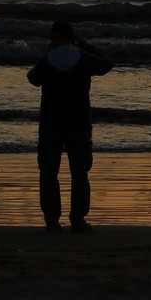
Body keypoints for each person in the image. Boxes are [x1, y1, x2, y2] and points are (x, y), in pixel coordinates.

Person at [26, 20, 113, 232]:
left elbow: (32, 78)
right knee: (80, 171)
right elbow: (107, 63)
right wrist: (86, 46)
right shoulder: (82, 58)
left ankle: (51, 220)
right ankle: (78, 218)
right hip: (78, 121)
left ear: (52, 38)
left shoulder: (47, 61)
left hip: (51, 122)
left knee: (48, 171)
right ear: (72, 38)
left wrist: (45, 54)